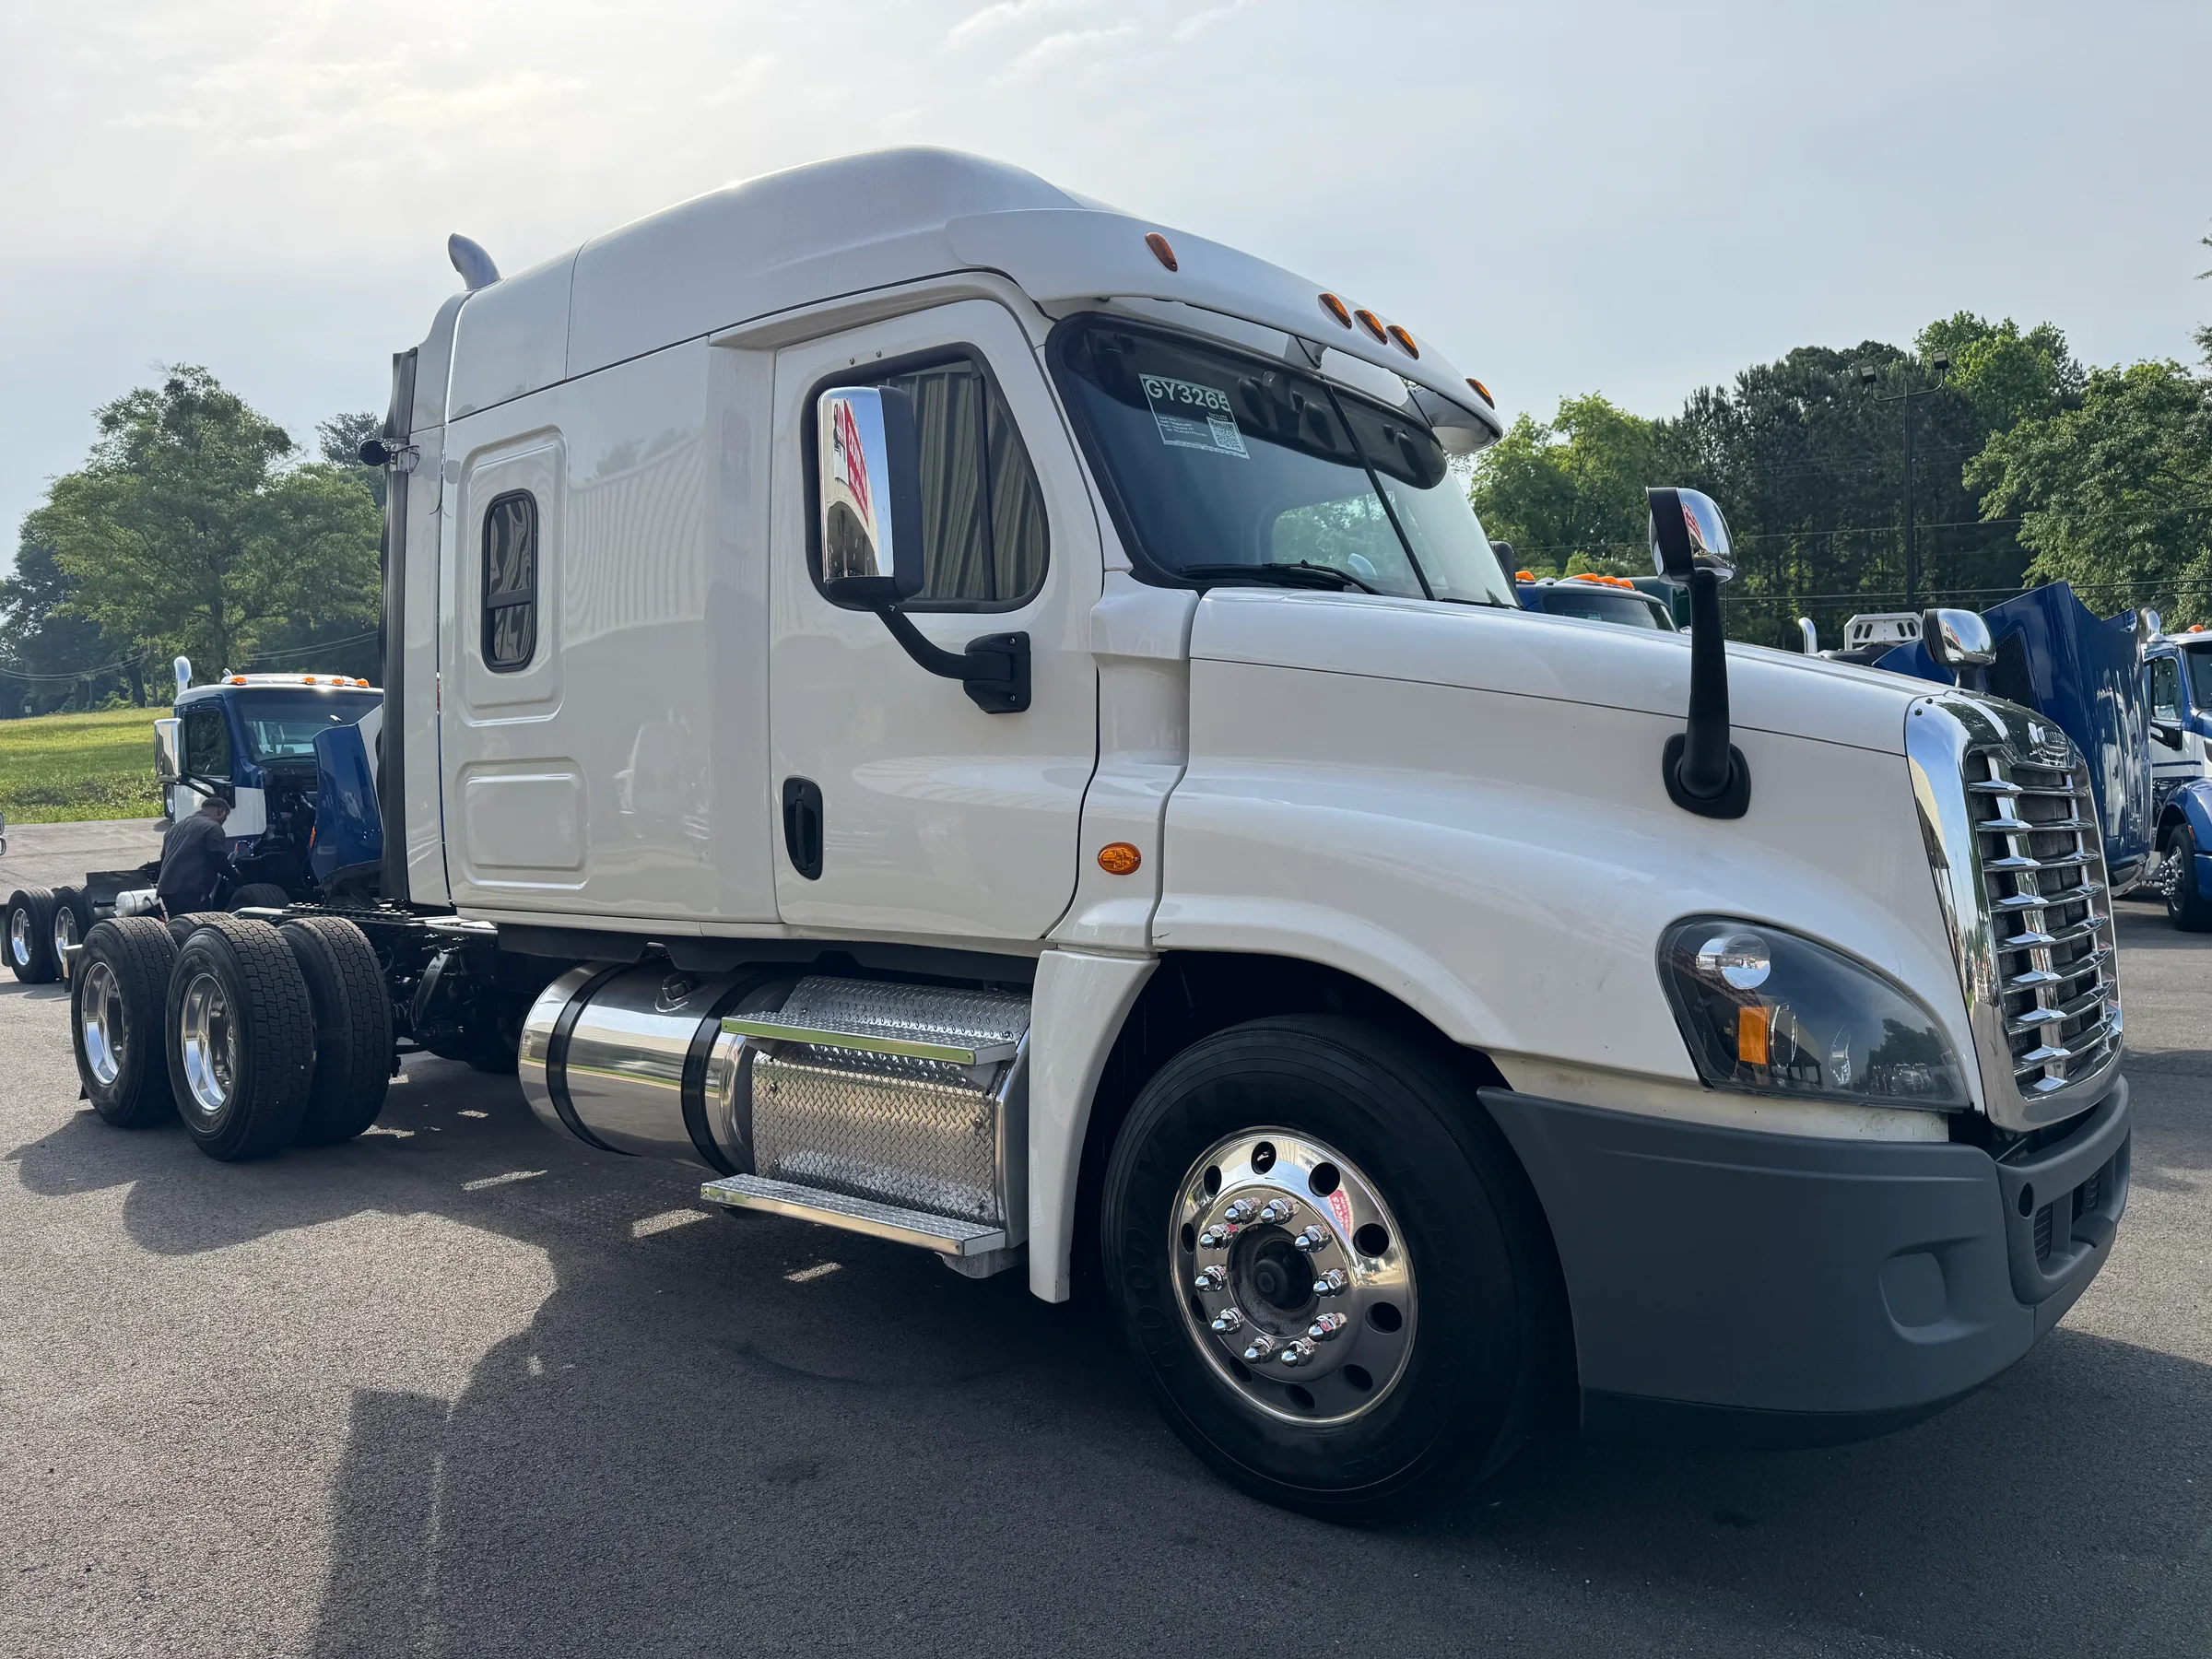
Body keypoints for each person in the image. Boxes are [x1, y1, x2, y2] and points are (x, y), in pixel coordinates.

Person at [156, 794, 231, 915]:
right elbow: (217, 858)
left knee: (178, 928)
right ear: (220, 811)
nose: (223, 822)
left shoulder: (175, 827)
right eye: (225, 818)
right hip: (190, 890)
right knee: (197, 927)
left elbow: (163, 858)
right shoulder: (212, 827)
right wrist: (235, 876)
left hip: (167, 889)